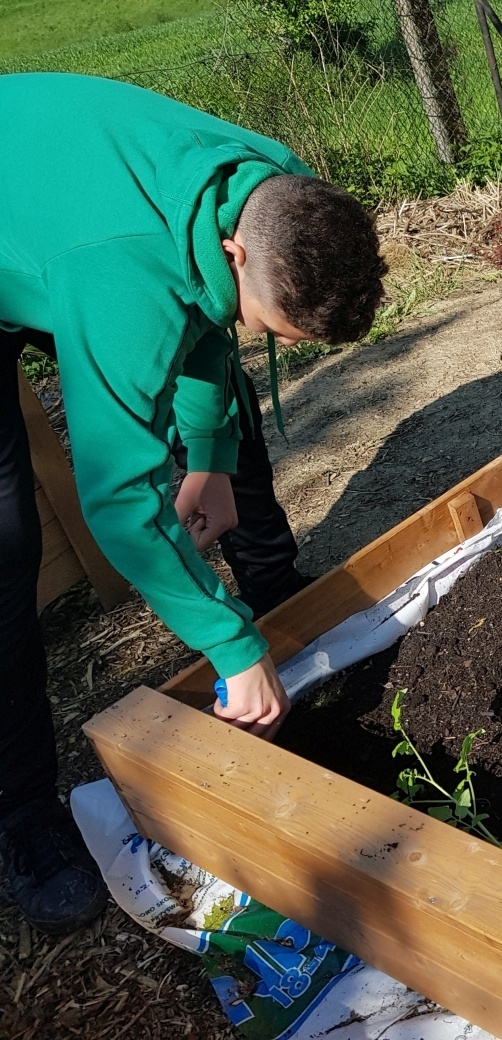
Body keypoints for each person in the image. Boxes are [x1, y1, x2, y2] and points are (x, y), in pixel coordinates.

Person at [0, 73, 387, 934]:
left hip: (52, 202)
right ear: (240, 252)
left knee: (222, 384)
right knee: (7, 542)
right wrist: (228, 642)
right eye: (280, 329)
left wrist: (207, 458)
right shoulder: (123, 271)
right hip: (57, 231)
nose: (276, 344)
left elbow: (210, 317)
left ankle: (274, 595)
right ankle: (23, 813)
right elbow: (117, 495)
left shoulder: (272, 187)